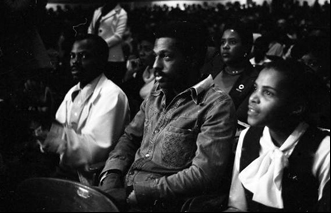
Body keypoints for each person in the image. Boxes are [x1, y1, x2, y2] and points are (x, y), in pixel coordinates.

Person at [96, 21, 237, 212]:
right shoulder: (156, 94)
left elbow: (204, 174)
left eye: (166, 57)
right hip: (124, 191)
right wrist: (112, 174)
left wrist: (138, 193)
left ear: (193, 59)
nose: (156, 66)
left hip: (162, 204)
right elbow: (130, 137)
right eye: (155, 56)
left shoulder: (216, 105)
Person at [226, 59, 330, 212]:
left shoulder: (324, 150)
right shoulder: (248, 136)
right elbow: (237, 206)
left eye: (268, 93)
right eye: (255, 88)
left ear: (297, 107)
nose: (253, 98)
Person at [27, 34, 130, 185]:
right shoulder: (73, 92)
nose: (75, 62)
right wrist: (41, 120)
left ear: (101, 60)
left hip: (89, 178)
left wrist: (50, 127)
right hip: (65, 168)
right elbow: (56, 134)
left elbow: (94, 151)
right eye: (72, 56)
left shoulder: (112, 95)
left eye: (83, 56)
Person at [211, 21, 261, 130]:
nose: (225, 46)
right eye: (222, 42)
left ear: (245, 47)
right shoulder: (214, 69)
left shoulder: (254, 79)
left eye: (232, 42)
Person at [87, 0, 128, 86]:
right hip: (97, 56)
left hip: (113, 58)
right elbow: (91, 28)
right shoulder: (98, 11)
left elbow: (118, 36)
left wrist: (99, 45)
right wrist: (90, 42)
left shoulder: (122, 13)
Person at [121, 31, 156, 119]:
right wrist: (129, 74)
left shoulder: (161, 75)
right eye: (140, 49)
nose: (141, 53)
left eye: (147, 49)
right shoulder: (142, 72)